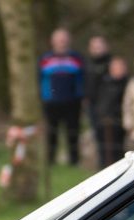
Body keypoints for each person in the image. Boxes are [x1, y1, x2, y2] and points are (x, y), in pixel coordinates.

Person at [39, 28, 85, 165]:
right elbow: (39, 79)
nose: (62, 42)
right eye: (59, 39)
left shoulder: (76, 58)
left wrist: (82, 96)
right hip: (51, 102)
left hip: (72, 102)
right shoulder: (45, 59)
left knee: (73, 133)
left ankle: (74, 161)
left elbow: (83, 79)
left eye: (64, 39)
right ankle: (51, 161)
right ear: (52, 41)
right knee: (52, 133)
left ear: (68, 41)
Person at [92, 56, 129, 167]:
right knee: (103, 151)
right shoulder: (103, 83)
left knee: (118, 151)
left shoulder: (128, 84)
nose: (118, 70)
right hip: (102, 122)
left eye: (120, 67)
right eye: (115, 67)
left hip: (118, 122)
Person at [83, 35, 112, 127]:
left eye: (99, 47)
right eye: (94, 47)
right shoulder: (85, 64)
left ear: (106, 47)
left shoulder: (113, 63)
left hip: (111, 105)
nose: (97, 50)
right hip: (92, 105)